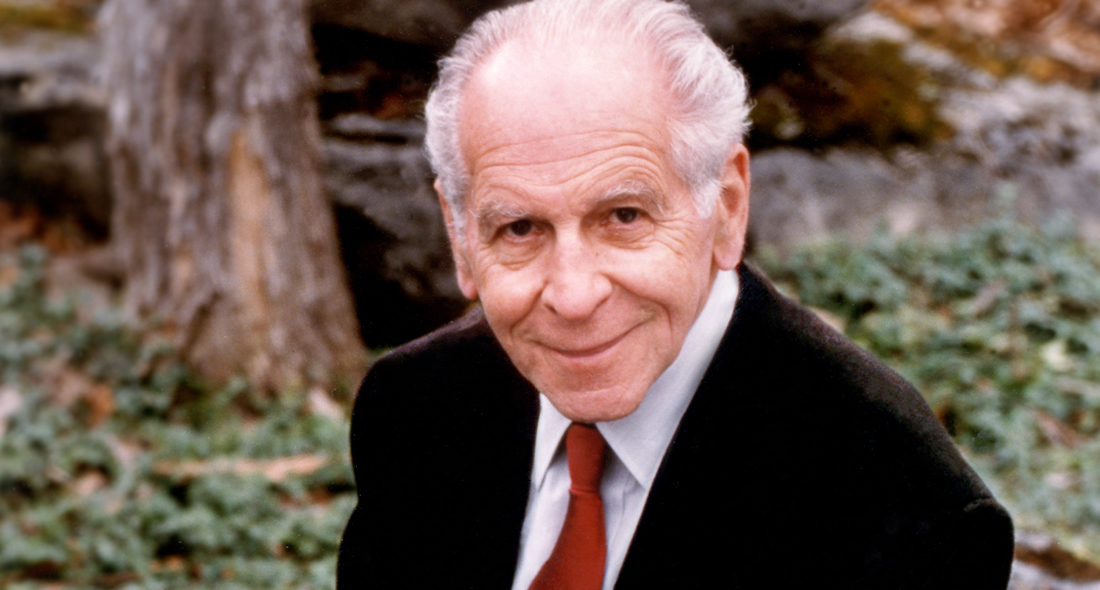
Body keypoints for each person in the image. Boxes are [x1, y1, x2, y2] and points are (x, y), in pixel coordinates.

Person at [337, 0, 1015, 587]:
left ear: (726, 207)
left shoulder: (901, 508)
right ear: (460, 237)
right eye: (520, 227)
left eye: (623, 216)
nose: (574, 296)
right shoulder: (414, 407)